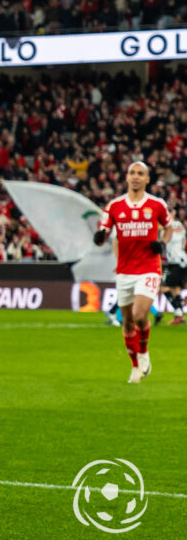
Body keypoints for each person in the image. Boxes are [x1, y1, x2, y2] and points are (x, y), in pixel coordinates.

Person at [93, 161, 171, 383]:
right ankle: (135, 367)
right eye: (132, 173)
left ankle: (144, 352)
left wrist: (162, 244)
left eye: (141, 174)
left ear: (147, 179)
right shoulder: (115, 206)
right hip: (125, 270)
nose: (136, 177)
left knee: (139, 315)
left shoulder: (157, 205)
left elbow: (168, 228)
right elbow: (104, 233)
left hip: (148, 267)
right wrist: (99, 238)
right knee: (127, 322)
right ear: (126, 177)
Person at [160, 208, 185, 325]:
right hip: (172, 262)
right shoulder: (167, 226)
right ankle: (179, 316)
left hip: (179, 262)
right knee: (175, 289)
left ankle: (179, 312)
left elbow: (169, 239)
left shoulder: (176, 225)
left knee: (163, 287)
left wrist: (166, 230)